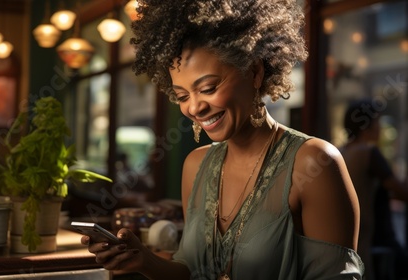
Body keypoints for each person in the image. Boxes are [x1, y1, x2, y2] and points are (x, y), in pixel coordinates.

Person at [81, 0, 364, 278]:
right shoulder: (196, 165)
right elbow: (191, 271)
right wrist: (144, 262)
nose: (194, 107)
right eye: (182, 96)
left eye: (208, 87)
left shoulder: (313, 163)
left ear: (254, 72)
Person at [340, 98, 408, 280]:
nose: (380, 128)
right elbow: (401, 191)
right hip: (375, 241)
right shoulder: (369, 153)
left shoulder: (340, 151)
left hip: (350, 243)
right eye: (377, 121)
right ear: (367, 125)